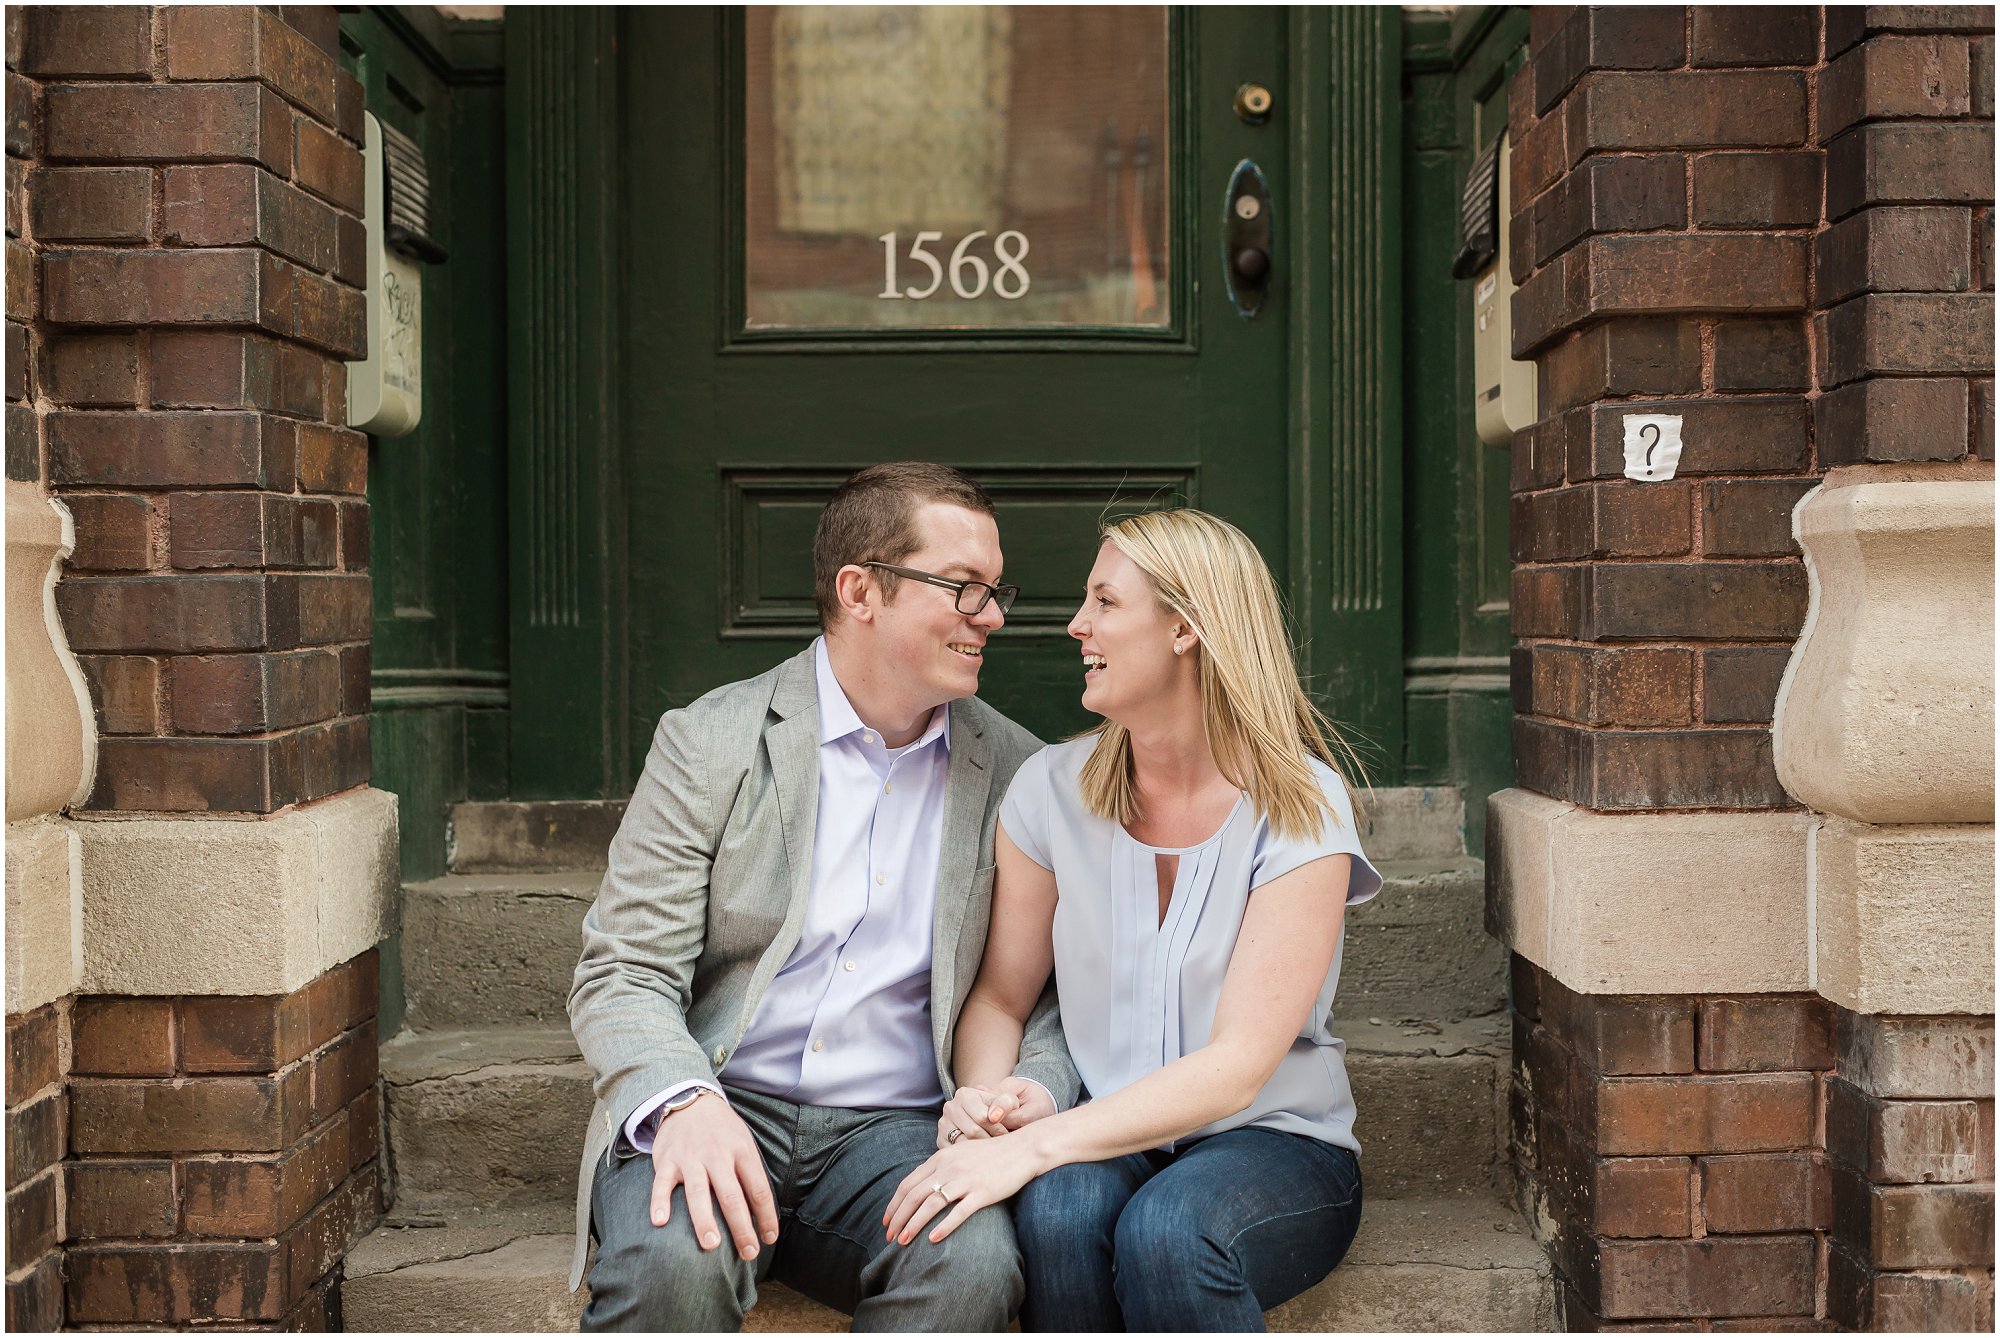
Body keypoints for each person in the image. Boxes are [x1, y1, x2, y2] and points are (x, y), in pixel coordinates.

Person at [567, 462, 1077, 1332]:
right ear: (859, 590)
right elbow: (622, 972)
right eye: (963, 589)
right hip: (726, 1097)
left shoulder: (1022, 775)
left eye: (996, 591)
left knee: (972, 1266)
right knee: (667, 1268)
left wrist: (1030, 1090)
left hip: (903, 1128)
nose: (991, 617)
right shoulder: (709, 742)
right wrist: (683, 1101)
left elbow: (1053, 998)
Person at [883, 508, 1384, 1332]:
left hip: (1276, 1143)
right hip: (1102, 1131)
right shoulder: (1050, 790)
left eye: (1106, 602)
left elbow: (1237, 1069)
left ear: (1185, 628)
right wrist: (982, 1101)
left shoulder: (1300, 804)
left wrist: (1033, 1147)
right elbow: (1004, 998)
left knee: (1170, 1232)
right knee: (1059, 1216)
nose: (1077, 625)